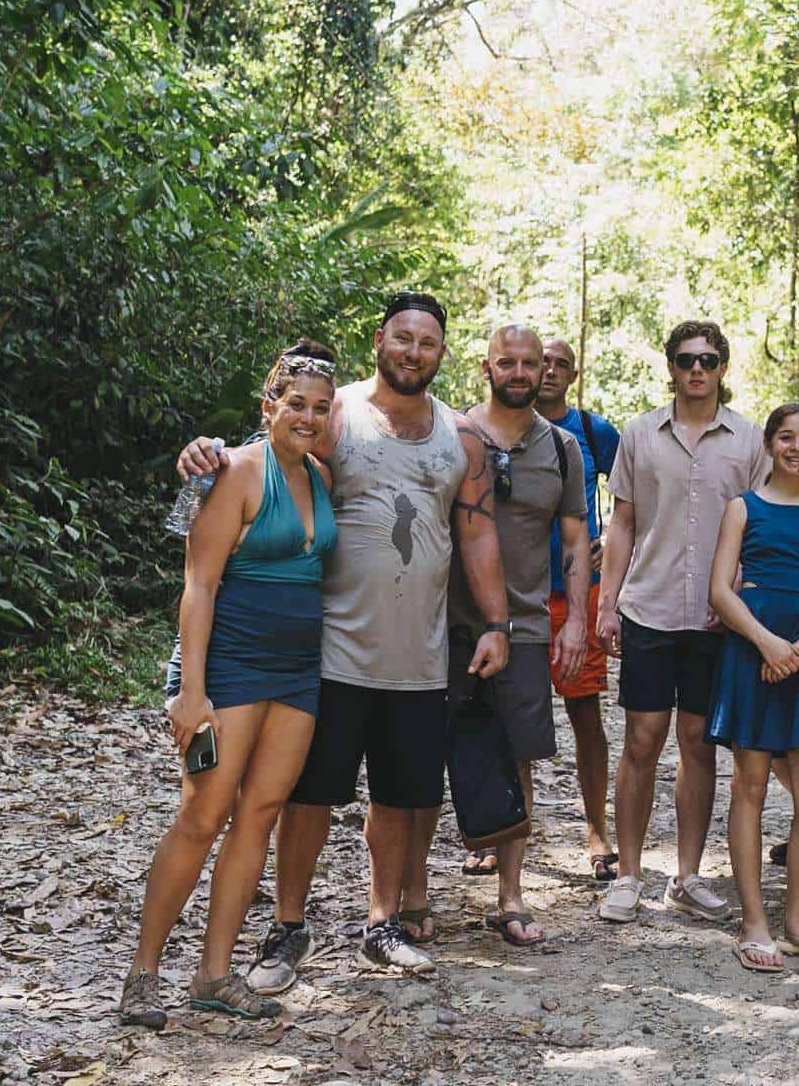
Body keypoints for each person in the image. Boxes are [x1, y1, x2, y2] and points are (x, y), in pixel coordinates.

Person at [173, 292, 512, 993]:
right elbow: (270, 456)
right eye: (402, 338)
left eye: (427, 342)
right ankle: (288, 926)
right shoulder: (337, 413)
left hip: (417, 655)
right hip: (329, 652)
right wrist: (207, 456)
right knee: (308, 798)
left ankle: (380, 925)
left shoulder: (463, 439)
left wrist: (499, 624)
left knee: (399, 799)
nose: (412, 351)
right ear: (380, 341)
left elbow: (476, 532)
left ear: (442, 354)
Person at [122, 343, 340, 1027]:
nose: (308, 417)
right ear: (268, 404)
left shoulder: (321, 478)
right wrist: (190, 689)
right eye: (296, 404)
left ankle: (215, 975)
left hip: (299, 673)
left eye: (320, 409)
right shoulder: (236, 472)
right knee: (202, 815)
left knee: (261, 814)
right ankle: (143, 974)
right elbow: (199, 584)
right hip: (232, 669)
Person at [594, 321, 767, 925]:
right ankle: (628, 874)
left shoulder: (749, 440)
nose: (697, 370)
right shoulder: (640, 434)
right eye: (686, 359)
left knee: (697, 744)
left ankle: (688, 876)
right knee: (640, 741)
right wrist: (606, 599)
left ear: (723, 368)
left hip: (716, 618)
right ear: (670, 366)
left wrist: (745, 597)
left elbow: (763, 526)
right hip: (650, 607)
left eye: (709, 360)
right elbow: (623, 522)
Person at [444, 325, 590, 946]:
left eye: (531, 363)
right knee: (431, 753)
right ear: (487, 367)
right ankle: (413, 898)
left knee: (519, 758)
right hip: (445, 621)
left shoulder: (562, 449)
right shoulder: (450, 436)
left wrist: (578, 617)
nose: (522, 372)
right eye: (508, 361)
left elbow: (577, 536)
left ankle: (510, 895)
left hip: (528, 623)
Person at [706, 404, 799, 971]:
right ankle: (754, 922)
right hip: (753, 651)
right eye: (786, 438)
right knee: (749, 786)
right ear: (769, 444)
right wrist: (768, 644)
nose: (797, 447)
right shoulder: (742, 509)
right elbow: (721, 590)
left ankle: (797, 919)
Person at [535, 337, 622, 880]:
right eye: (540, 362)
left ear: (573, 374)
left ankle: (597, 831)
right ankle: (502, 834)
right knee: (509, 715)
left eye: (559, 364)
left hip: (578, 591)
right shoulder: (495, 428)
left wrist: (611, 541)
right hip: (517, 592)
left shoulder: (594, 431)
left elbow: (636, 495)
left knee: (584, 711)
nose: (548, 371)